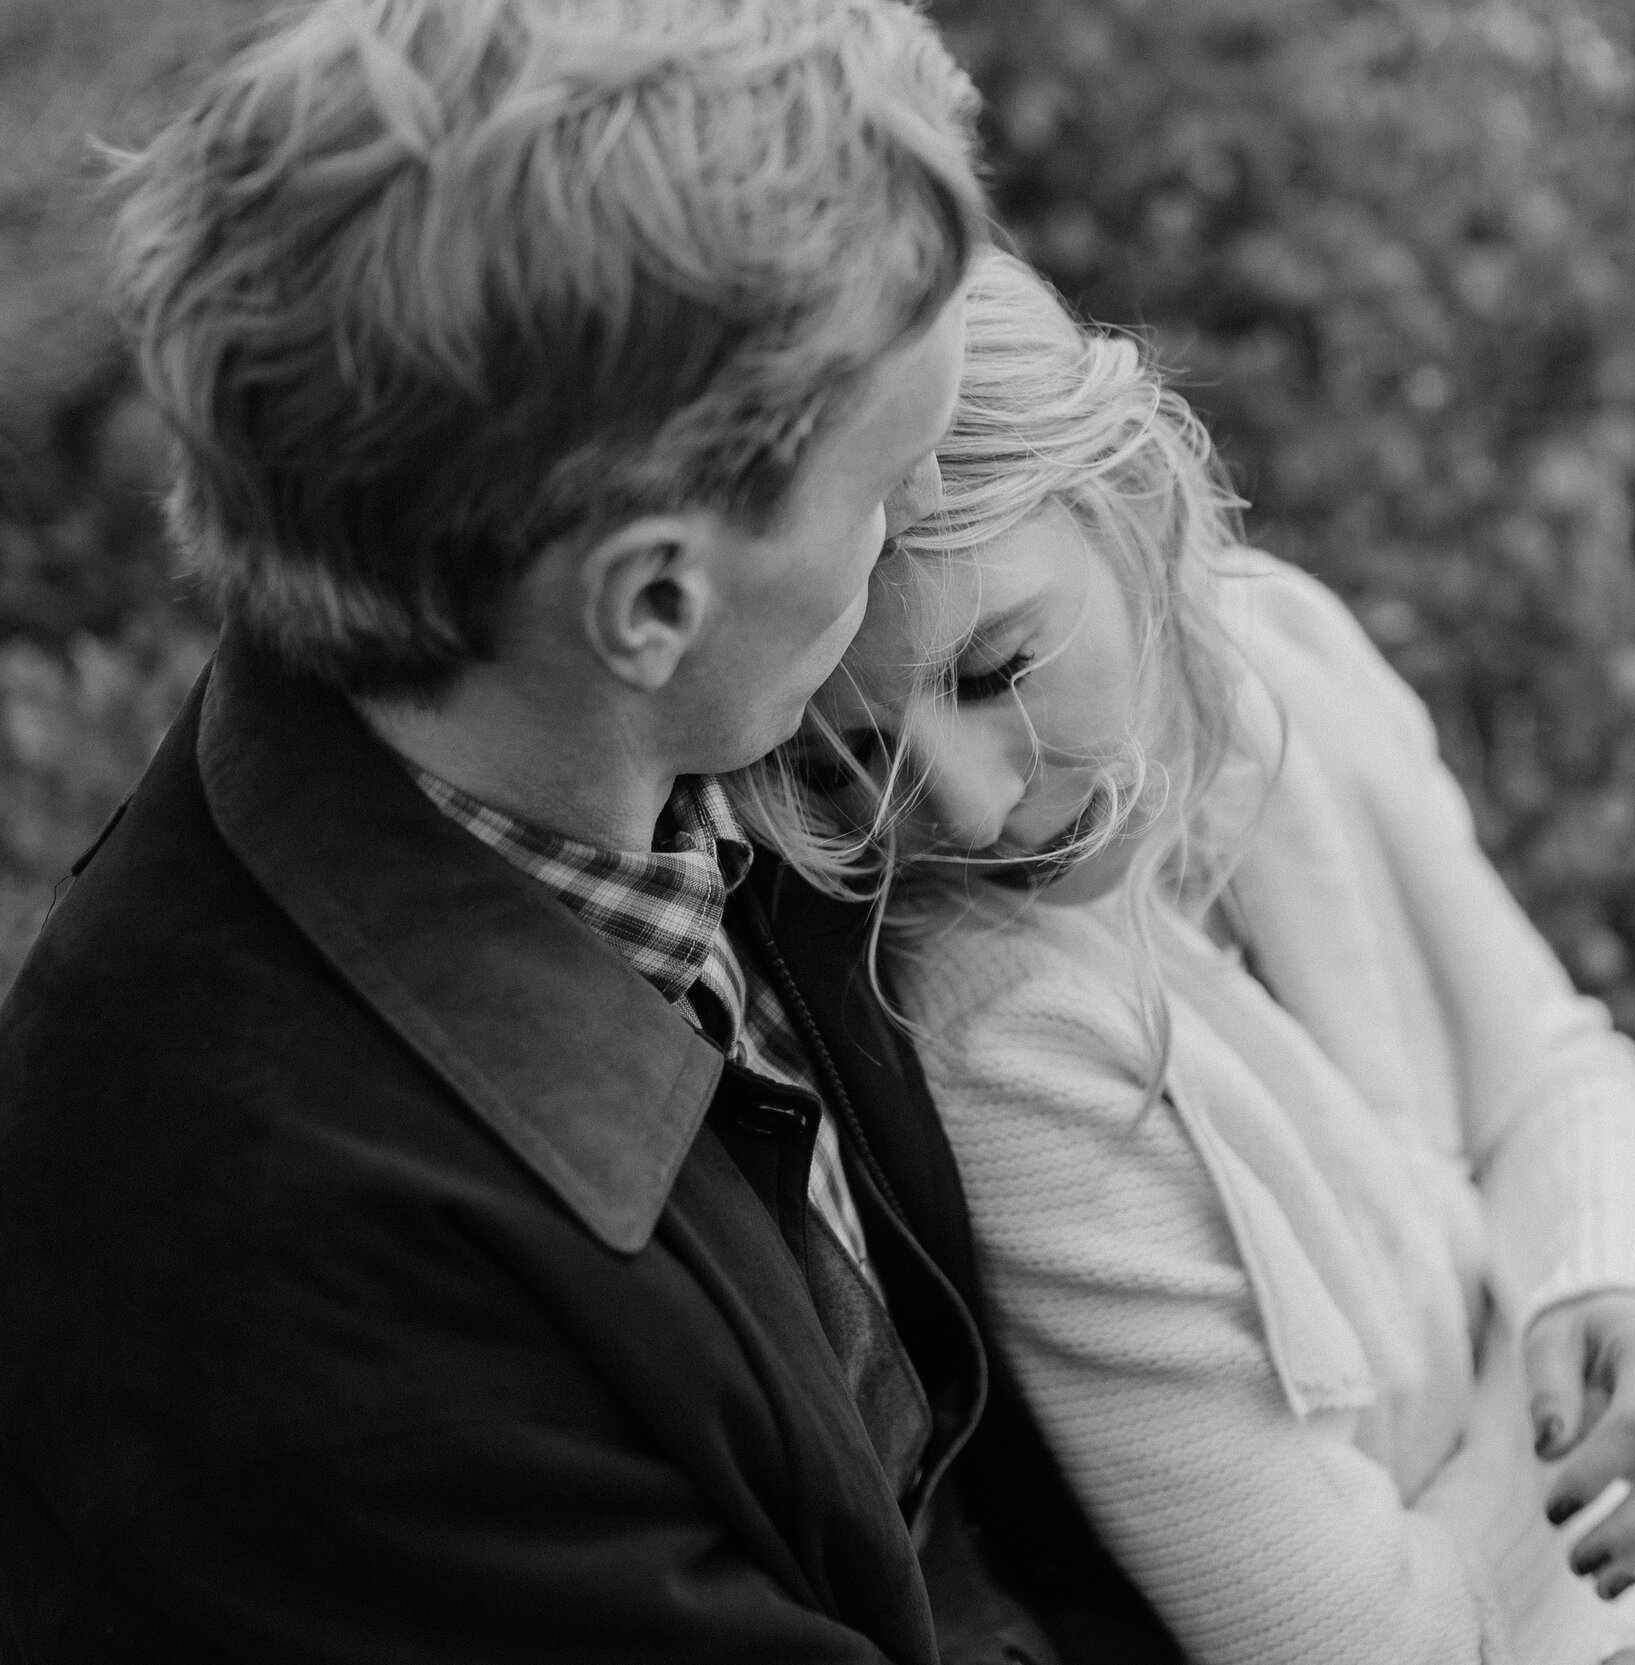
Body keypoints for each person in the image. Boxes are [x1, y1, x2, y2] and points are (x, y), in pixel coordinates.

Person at [749, 250, 1635, 1665]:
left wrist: (1619, 1282)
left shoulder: (1286, 658)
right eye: (854, 753)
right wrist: (1578, 1434)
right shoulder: (1000, 1034)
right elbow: (1353, 1641)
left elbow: (1549, 1061)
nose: (963, 807)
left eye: (996, 668)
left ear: (1122, 492)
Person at [0, 7, 1109, 1660]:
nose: (914, 532)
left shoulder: (586, 728)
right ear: (653, 595)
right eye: (890, 480)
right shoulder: (345, 1378)